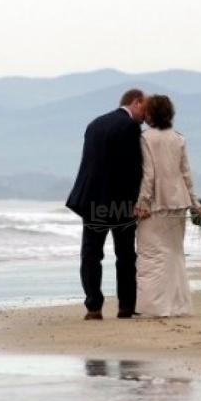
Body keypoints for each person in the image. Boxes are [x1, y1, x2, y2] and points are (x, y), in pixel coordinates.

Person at [65, 89, 146, 320]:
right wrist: (135, 201)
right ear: (135, 102)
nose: (145, 116)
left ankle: (93, 307)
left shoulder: (94, 124)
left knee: (91, 254)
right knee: (125, 255)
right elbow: (133, 169)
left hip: (91, 199)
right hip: (119, 202)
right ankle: (126, 306)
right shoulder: (130, 127)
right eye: (144, 109)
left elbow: (90, 164)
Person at [134, 95, 201, 317]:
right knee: (174, 254)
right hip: (178, 202)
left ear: (151, 114)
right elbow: (186, 173)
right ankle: (179, 306)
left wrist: (142, 202)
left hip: (155, 203)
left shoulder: (146, 138)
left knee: (151, 255)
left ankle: (154, 307)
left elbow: (149, 175)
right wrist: (194, 201)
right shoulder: (179, 138)